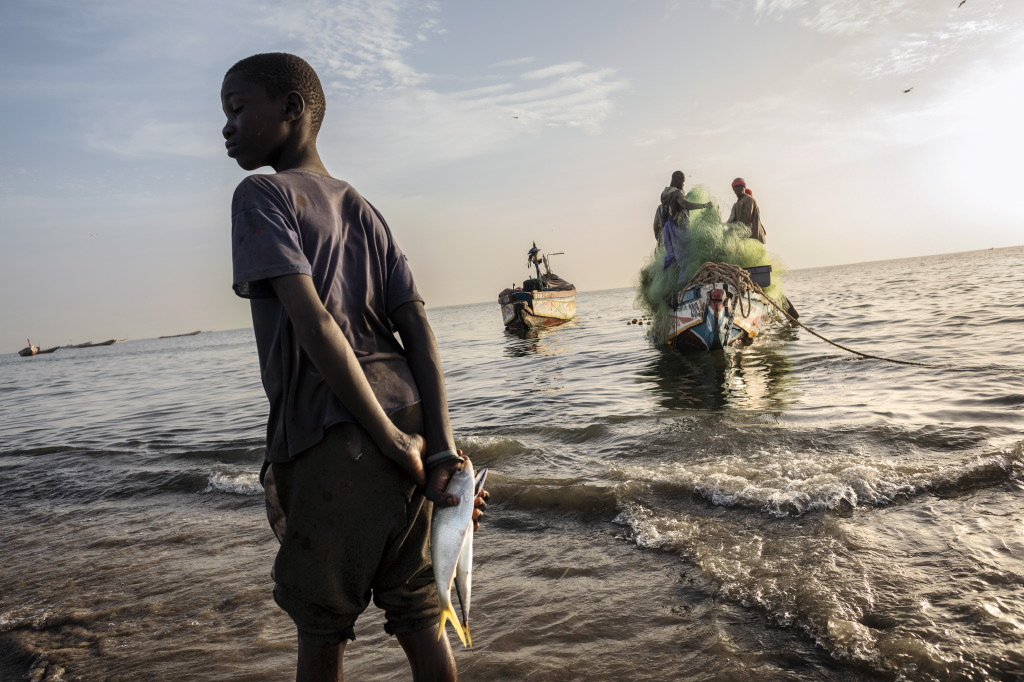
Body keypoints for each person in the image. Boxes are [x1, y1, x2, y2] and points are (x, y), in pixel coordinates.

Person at [220, 52, 487, 682]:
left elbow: (315, 325)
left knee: (322, 626)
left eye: (237, 109)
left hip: (336, 436)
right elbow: (417, 330)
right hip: (411, 419)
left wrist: (390, 442)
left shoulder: (261, 194)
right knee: (420, 615)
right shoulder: (362, 207)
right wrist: (439, 447)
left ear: (293, 110)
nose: (226, 128)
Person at [653, 170, 712, 246]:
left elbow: (655, 226)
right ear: (678, 179)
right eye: (683, 181)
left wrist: (658, 240)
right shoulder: (677, 193)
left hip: (667, 239)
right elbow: (685, 204)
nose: (683, 185)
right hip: (679, 236)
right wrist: (704, 205)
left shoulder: (661, 206)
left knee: (671, 257)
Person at [726, 177, 766, 243]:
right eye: (736, 186)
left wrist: (732, 229)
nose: (739, 188)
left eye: (741, 186)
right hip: (747, 238)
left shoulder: (749, 199)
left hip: (755, 238)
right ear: (733, 189)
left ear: (745, 187)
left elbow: (746, 217)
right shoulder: (737, 203)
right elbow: (733, 221)